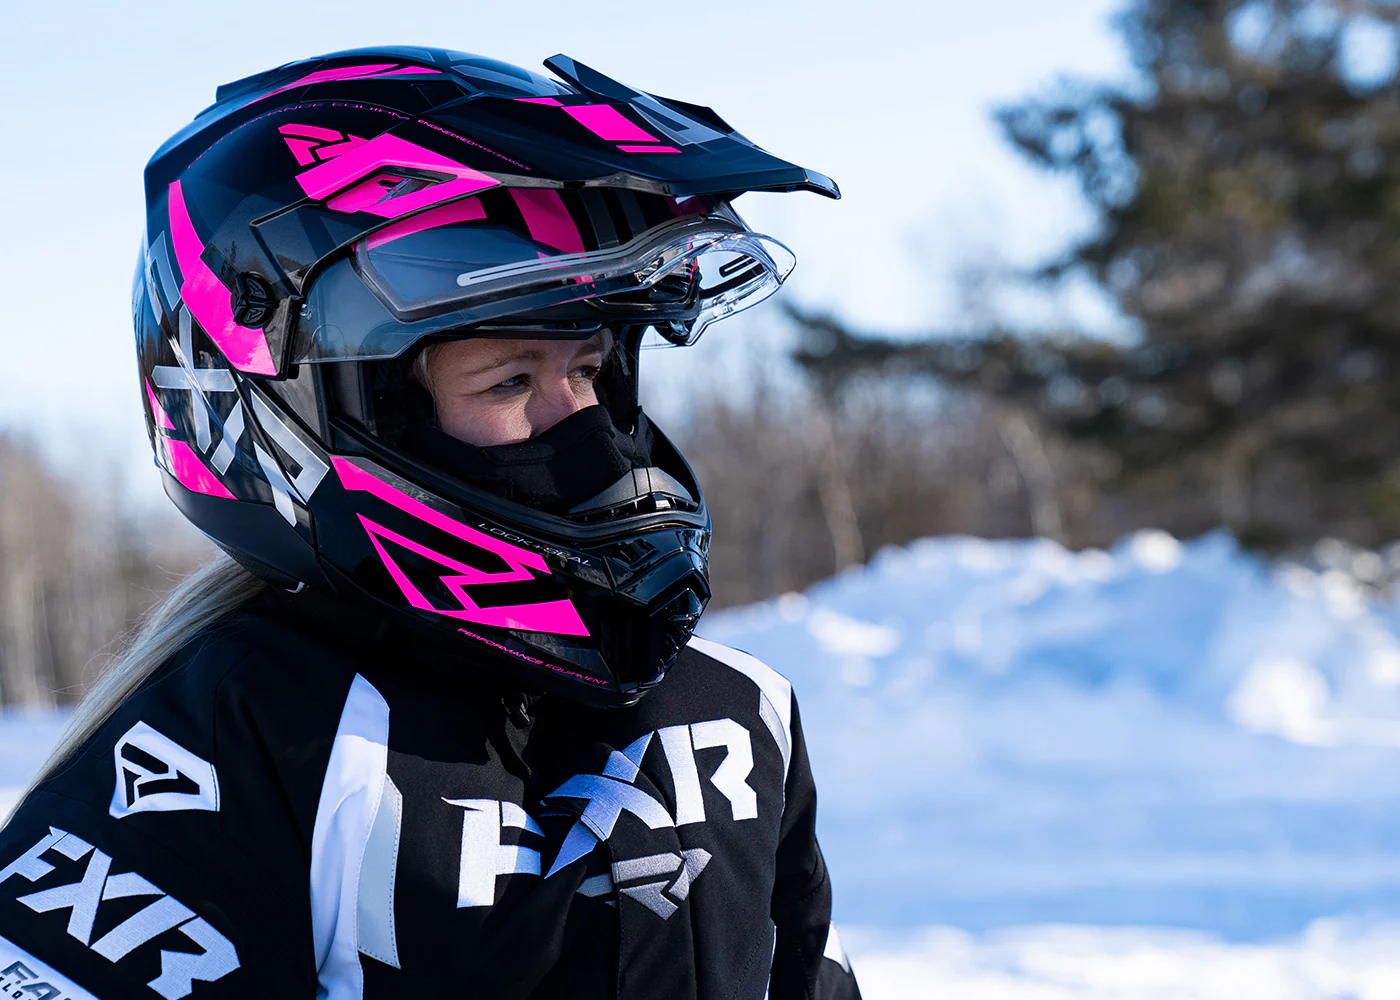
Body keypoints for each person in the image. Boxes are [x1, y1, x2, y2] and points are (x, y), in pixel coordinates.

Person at [0, 47, 860, 1000]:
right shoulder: (249, 729)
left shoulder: (731, 711)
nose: (584, 434)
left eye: (589, 371)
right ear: (326, 406)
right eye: (511, 381)